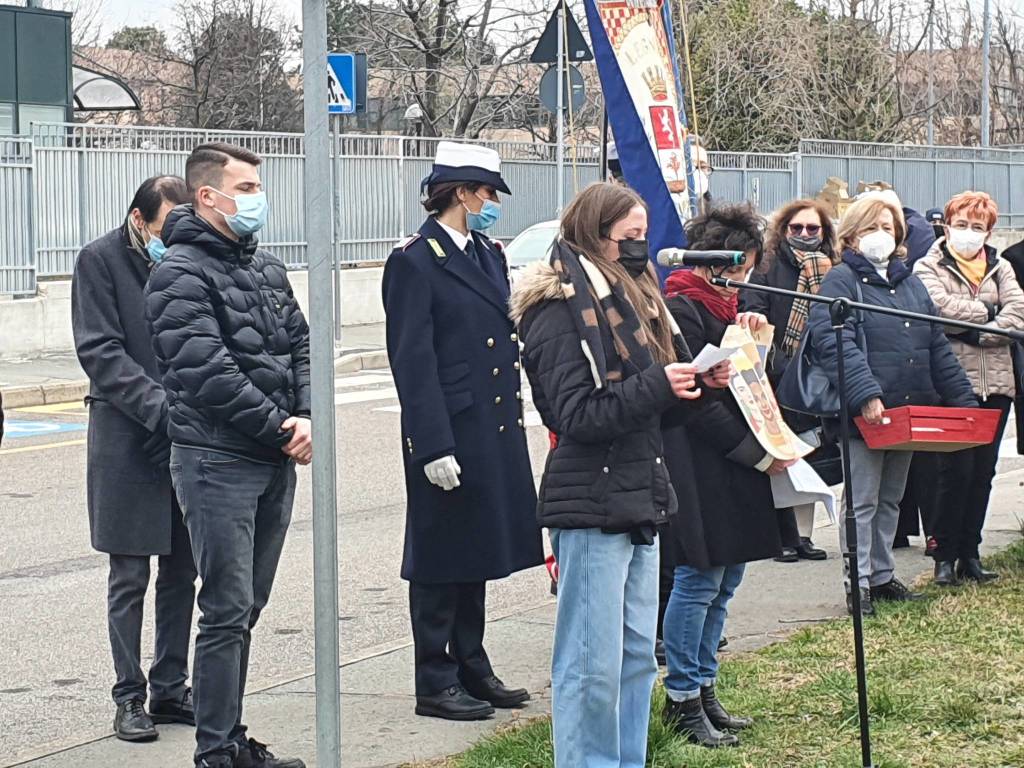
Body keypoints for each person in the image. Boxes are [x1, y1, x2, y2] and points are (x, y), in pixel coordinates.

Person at [512, 182, 703, 767]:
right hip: (591, 503)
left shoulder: (635, 301)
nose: (644, 248)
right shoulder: (556, 310)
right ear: (596, 237)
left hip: (637, 497)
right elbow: (575, 415)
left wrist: (692, 387)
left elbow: (645, 409)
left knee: (636, 657)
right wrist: (657, 385)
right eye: (632, 238)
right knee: (590, 664)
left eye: (647, 236)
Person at [145, 143, 310, 768]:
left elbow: (300, 343)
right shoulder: (179, 272)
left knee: (246, 609)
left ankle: (230, 736)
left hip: (271, 458)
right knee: (225, 608)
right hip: (217, 461)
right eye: (244, 188)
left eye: (256, 186)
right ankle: (216, 749)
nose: (256, 198)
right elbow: (203, 370)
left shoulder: (265, 267)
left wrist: (306, 416)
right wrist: (280, 428)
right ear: (207, 197)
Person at [382, 141, 544, 722]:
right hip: (447, 429)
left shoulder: (487, 253)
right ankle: (434, 677)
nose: (490, 204)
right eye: (485, 193)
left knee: (476, 546)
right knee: (439, 554)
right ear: (460, 194)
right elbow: (412, 359)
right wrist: (431, 444)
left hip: (489, 423)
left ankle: (471, 661)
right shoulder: (415, 259)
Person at [807, 194, 976, 616]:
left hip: (907, 411)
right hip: (866, 413)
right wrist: (865, 394)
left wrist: (964, 403)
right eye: (870, 228)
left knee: (891, 500)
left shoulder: (909, 282)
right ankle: (858, 582)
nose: (880, 235)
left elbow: (935, 344)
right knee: (862, 501)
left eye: (887, 227)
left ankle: (882, 576)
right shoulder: (841, 281)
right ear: (851, 234)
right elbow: (834, 341)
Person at [72, 176, 197, 743]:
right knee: (129, 574)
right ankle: (129, 696)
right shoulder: (99, 260)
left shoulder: (192, 258)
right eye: (165, 226)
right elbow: (100, 349)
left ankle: (170, 686)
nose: (174, 237)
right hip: (126, 435)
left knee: (183, 570)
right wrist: (160, 408)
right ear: (139, 219)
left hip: (185, 434)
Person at [659, 202, 786, 748]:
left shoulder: (732, 309)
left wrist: (758, 341)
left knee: (727, 578)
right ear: (715, 262)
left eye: (750, 267)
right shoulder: (682, 306)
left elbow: (754, 382)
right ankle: (682, 697)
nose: (744, 278)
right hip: (700, 461)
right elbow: (697, 399)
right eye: (738, 267)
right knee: (698, 578)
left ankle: (706, 686)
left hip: (736, 459)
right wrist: (751, 452)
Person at [914, 191, 1024, 586]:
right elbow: (936, 308)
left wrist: (975, 331)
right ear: (947, 224)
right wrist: (989, 317)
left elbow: (1018, 314)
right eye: (961, 224)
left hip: (995, 383)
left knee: (982, 471)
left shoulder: (1001, 267)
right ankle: (943, 553)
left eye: (977, 227)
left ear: (988, 231)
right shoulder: (929, 264)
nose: (968, 233)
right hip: (951, 382)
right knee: (952, 471)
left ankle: (970, 552)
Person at [741, 198, 841, 563]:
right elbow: (754, 304)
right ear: (783, 230)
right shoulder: (768, 265)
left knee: (810, 457)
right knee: (780, 456)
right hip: (778, 374)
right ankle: (779, 536)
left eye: (812, 228)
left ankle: (803, 536)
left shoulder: (834, 267)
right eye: (796, 228)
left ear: (824, 232)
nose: (803, 234)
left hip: (818, 376)